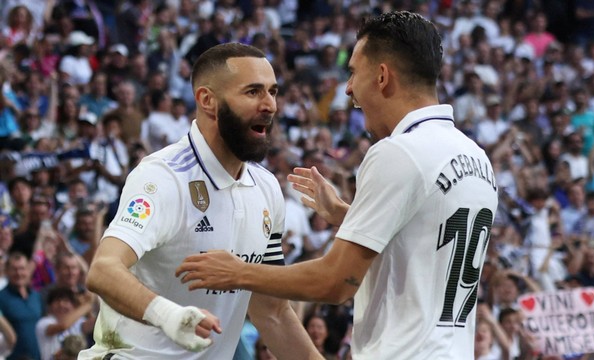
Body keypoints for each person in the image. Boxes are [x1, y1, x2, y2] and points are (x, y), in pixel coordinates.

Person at [177, 11, 499, 359]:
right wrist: (348, 215)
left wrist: (237, 272)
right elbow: (422, 241)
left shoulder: (399, 152)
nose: (347, 89)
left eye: (353, 72)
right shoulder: (475, 156)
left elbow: (335, 283)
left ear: (381, 76)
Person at [78, 43, 321, 359]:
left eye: (273, 92)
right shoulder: (163, 177)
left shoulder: (267, 187)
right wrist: (169, 316)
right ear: (208, 100)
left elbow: (271, 312)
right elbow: (103, 269)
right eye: (253, 92)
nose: (270, 105)